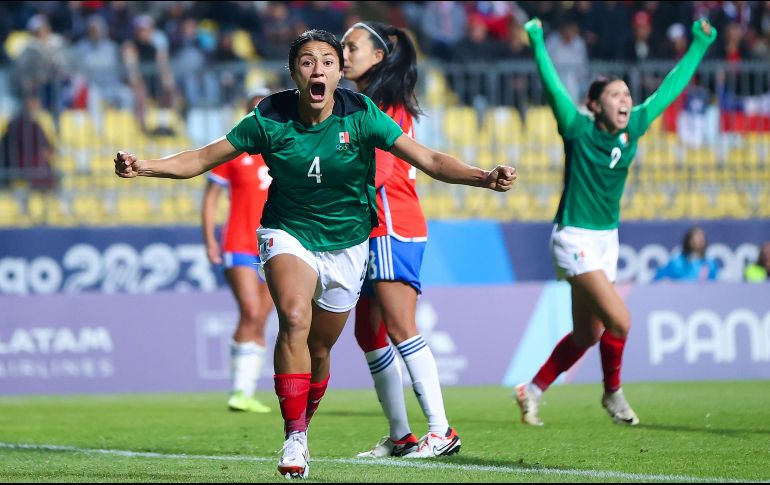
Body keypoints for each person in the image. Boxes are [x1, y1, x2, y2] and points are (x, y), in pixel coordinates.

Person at [114, 29, 516, 479]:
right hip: (287, 233)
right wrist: (145, 166)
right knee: (293, 316)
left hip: (348, 245)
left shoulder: (361, 113)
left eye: (327, 60)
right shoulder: (269, 116)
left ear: (340, 73)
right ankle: (295, 437)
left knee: (321, 347)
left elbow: (429, 160)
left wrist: (483, 177)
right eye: (307, 62)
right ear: (294, 73)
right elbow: (203, 158)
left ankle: (307, 421)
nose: (318, 69)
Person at [513, 18, 716, 428]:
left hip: (607, 240)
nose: (626, 100)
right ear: (594, 105)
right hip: (574, 237)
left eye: (627, 94)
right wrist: (536, 40)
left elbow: (670, 90)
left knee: (587, 335)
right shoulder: (577, 129)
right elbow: (554, 87)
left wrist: (697, 45)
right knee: (620, 320)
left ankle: (531, 389)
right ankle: (613, 394)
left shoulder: (634, 128)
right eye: (614, 95)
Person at [341, 21, 459, 459]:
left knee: (399, 327)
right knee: (367, 333)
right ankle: (401, 435)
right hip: (371, 229)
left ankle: (441, 430)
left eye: (352, 47)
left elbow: (382, 173)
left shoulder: (385, 105)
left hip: (391, 224)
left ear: (378, 57)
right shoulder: (363, 103)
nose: (344, 54)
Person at [201, 88, 274, 414]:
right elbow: (211, 198)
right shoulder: (235, 149)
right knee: (251, 311)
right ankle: (238, 391)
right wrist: (209, 238)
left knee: (262, 318)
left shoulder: (284, 147)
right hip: (240, 243)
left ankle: (245, 391)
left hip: (275, 246)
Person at [653, 226, 719, 282]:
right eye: (697, 238)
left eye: (702, 239)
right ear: (689, 241)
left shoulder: (710, 264)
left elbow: (713, 285)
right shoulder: (677, 262)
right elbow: (660, 278)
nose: (700, 241)